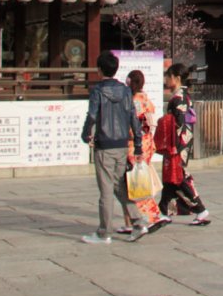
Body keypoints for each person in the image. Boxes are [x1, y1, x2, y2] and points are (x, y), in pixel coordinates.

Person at [80, 51, 146, 244]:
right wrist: (139, 145)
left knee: (107, 190)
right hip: (122, 144)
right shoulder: (126, 91)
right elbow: (134, 118)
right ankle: (138, 222)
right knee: (119, 186)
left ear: (99, 70)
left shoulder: (98, 91)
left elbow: (93, 115)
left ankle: (104, 232)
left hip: (105, 144)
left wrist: (86, 134)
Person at [157, 62, 211, 225]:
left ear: (176, 78)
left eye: (168, 76)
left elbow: (179, 122)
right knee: (170, 178)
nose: (166, 79)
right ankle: (164, 210)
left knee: (178, 176)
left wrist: (169, 133)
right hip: (180, 142)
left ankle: (200, 209)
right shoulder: (182, 95)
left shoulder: (179, 98)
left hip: (178, 143)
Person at [116, 69, 166, 235]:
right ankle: (131, 222)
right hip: (147, 143)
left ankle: (151, 216)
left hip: (135, 145)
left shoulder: (133, 101)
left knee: (135, 183)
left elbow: (133, 125)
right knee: (134, 182)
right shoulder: (145, 99)